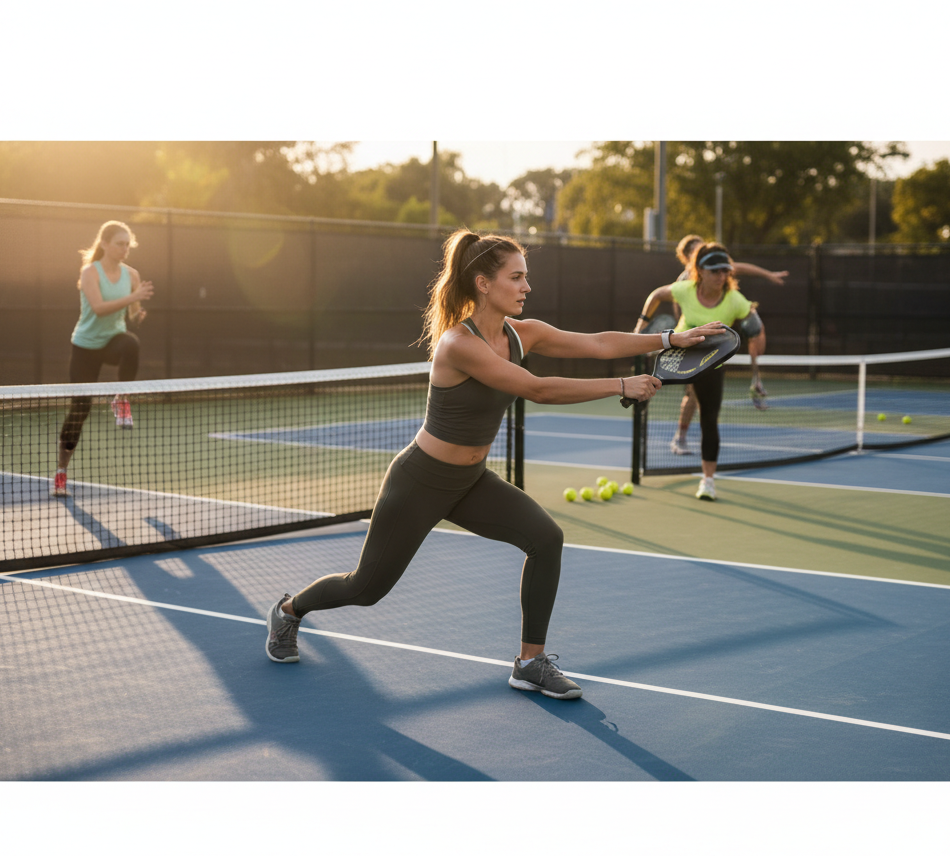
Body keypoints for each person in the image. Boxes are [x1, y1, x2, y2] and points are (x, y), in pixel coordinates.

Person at [264, 229, 724, 699]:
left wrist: (672, 336)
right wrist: (621, 387)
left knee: (546, 538)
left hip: (471, 481)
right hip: (420, 481)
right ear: (484, 283)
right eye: (517, 277)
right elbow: (538, 389)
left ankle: (529, 662)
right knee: (366, 587)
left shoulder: (523, 333)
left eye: (527, 278)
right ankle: (289, 610)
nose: (527, 287)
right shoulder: (457, 345)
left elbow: (599, 343)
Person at [643, 234, 789, 453]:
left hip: (713, 350)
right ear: (689, 259)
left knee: (701, 401)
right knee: (693, 395)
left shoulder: (719, 270)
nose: (700, 249)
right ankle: (681, 437)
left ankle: (690, 436)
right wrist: (665, 333)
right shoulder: (685, 282)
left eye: (700, 246)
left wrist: (768, 275)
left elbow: (741, 268)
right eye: (694, 249)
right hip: (687, 347)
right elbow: (670, 302)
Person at [633, 242, 753, 501]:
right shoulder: (685, 290)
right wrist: (640, 325)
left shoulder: (734, 300)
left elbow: (754, 321)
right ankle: (640, 401)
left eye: (725, 271)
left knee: (709, 419)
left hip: (711, 365)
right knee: (645, 388)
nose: (722, 277)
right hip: (679, 355)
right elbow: (655, 295)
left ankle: (708, 481)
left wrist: (756, 363)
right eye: (715, 271)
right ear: (700, 271)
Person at [52, 221, 153, 497]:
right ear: (105, 244)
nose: (125, 249)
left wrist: (137, 315)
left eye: (127, 244)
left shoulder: (131, 275)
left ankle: (121, 399)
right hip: (85, 346)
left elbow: (130, 315)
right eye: (120, 243)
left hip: (113, 341)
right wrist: (133, 297)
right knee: (80, 409)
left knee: (131, 343)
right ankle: (61, 472)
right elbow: (98, 309)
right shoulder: (89, 273)